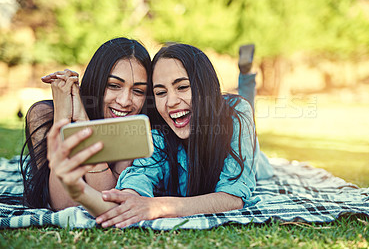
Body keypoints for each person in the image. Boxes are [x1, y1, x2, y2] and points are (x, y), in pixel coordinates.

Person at [46, 43, 273, 228]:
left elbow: (234, 198)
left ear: (203, 86)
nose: (171, 102)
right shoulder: (158, 137)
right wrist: (80, 191)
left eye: (182, 87)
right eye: (161, 92)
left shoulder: (235, 116)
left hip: (252, 155)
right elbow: (124, 204)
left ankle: (246, 79)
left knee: (244, 110)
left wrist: (160, 206)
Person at [20, 37, 152, 210]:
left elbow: (107, 198)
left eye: (138, 91)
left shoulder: (135, 127)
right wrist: (63, 119)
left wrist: (83, 122)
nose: (125, 101)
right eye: (113, 85)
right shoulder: (44, 115)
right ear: (96, 81)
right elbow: (63, 205)